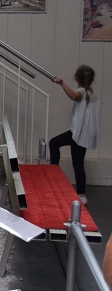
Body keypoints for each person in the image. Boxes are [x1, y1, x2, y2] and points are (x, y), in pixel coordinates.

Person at [49, 65, 100, 203]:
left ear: (77, 77)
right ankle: (82, 194)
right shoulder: (91, 93)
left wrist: (61, 83)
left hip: (76, 133)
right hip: (82, 134)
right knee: (78, 163)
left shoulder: (82, 92)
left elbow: (74, 96)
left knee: (54, 143)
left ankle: (54, 174)